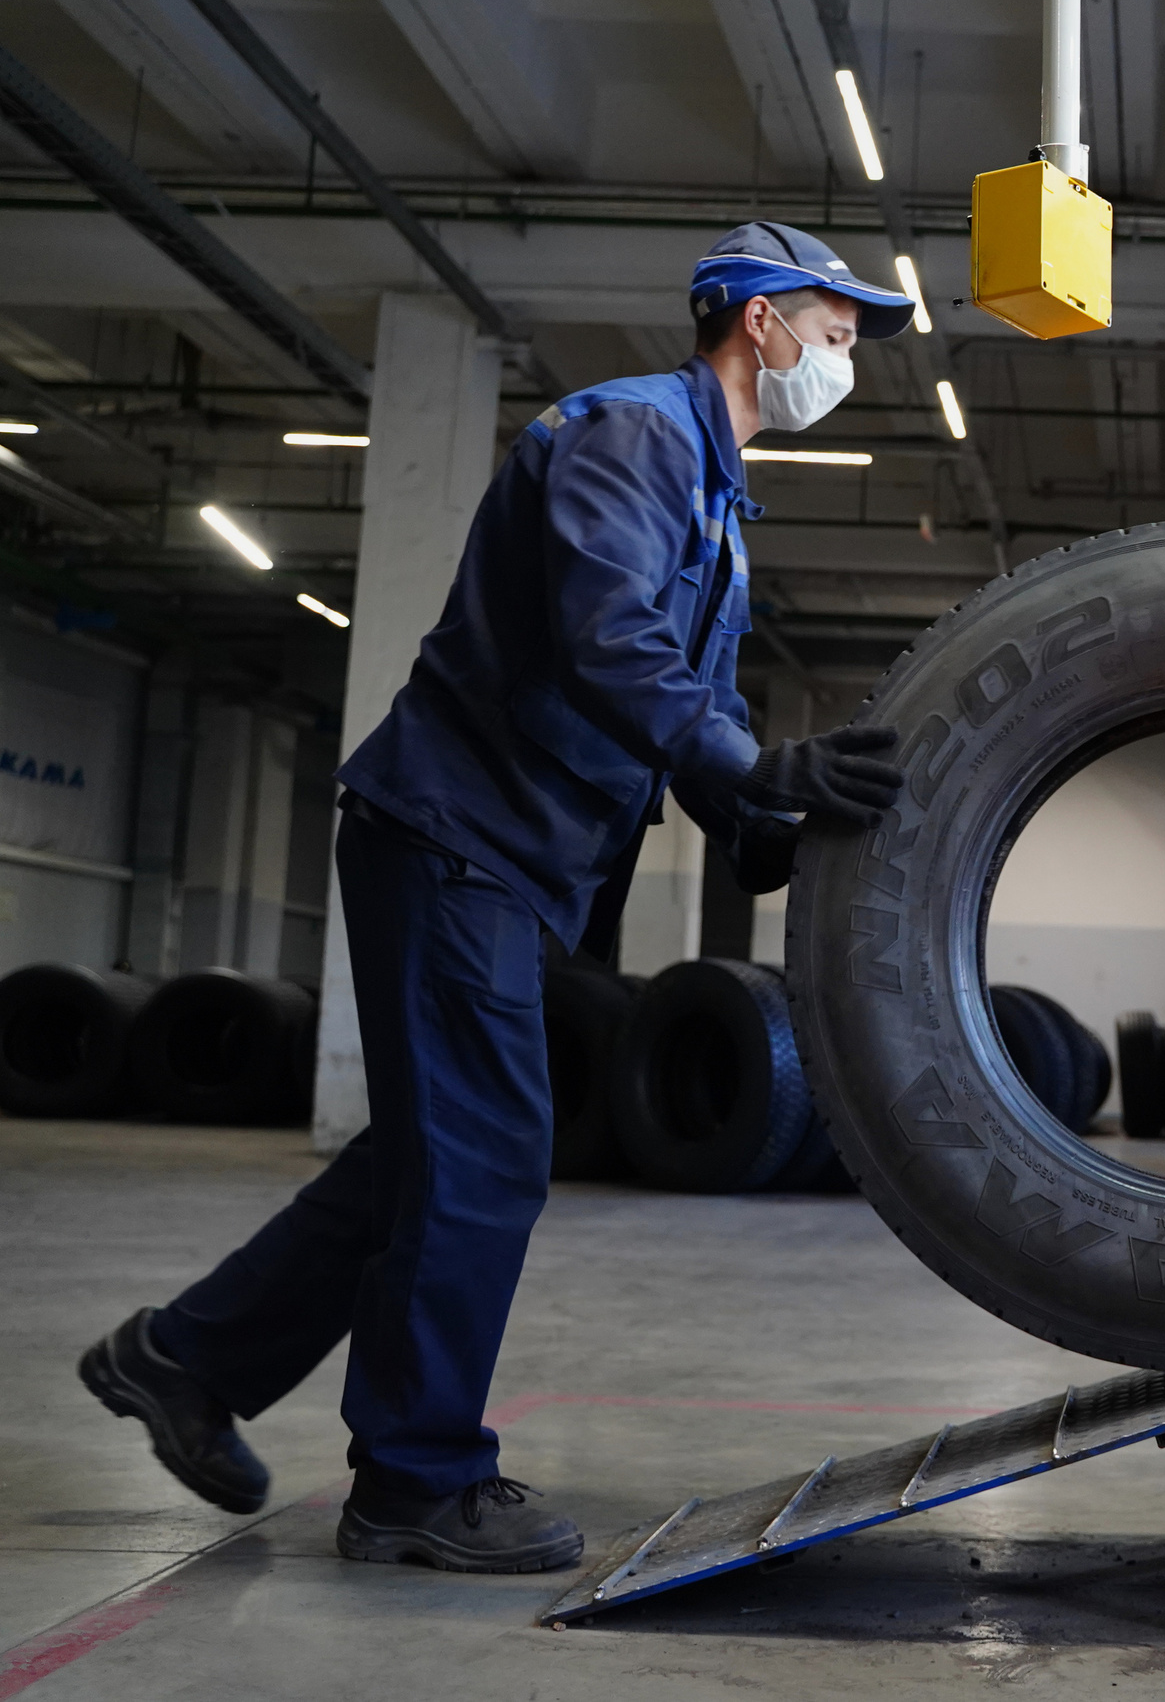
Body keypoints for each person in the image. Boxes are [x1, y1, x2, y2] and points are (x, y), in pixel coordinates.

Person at [77, 223, 913, 1574]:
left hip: (511, 857)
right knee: (486, 1154)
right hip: (454, 834)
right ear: (758, 320)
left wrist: (763, 822)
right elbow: (607, 640)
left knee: (431, 1152)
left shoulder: (716, 500)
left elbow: (687, 702)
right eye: (834, 328)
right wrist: (754, 767)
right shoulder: (634, 436)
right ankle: (415, 1481)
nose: (847, 357)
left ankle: (183, 1361)